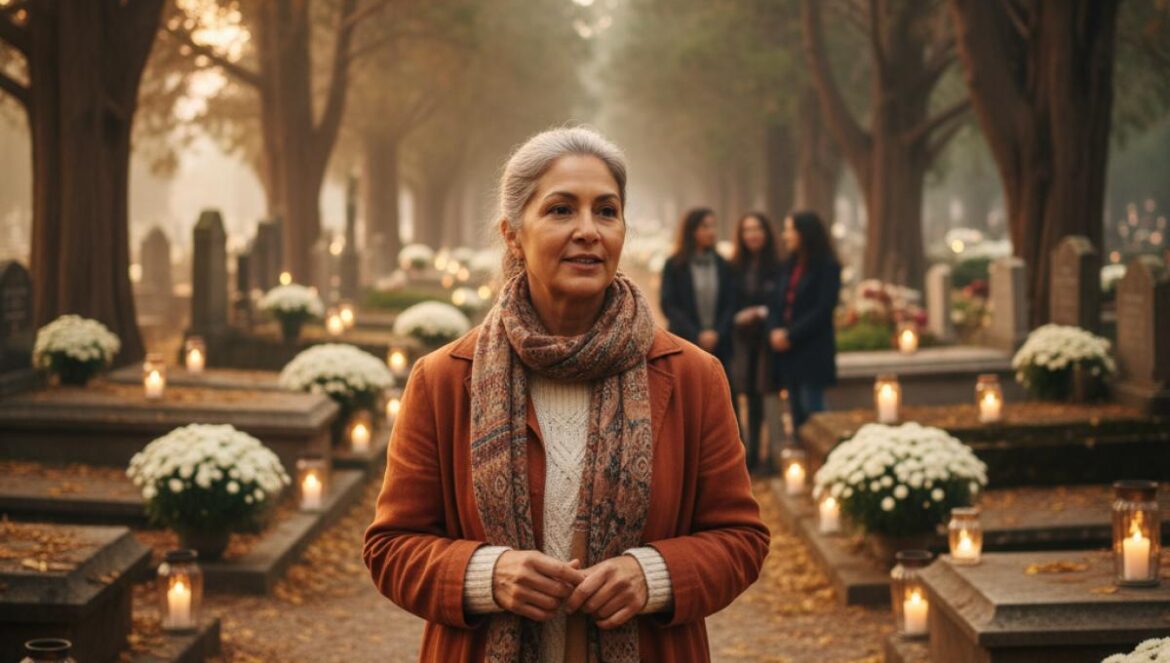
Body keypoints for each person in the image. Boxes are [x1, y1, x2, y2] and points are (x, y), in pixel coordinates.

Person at [363, 127, 769, 663]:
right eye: (560, 210)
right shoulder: (444, 380)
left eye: (606, 210)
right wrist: (487, 574)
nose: (588, 231)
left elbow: (740, 538)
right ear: (513, 233)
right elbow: (392, 548)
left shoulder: (692, 376)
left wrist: (653, 575)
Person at [768, 210, 841, 430]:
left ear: (804, 233)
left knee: (815, 415)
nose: (785, 235)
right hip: (789, 355)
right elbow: (776, 303)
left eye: (790, 229)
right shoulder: (788, 266)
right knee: (797, 417)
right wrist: (774, 331)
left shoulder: (827, 266)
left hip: (812, 351)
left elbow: (823, 309)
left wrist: (791, 334)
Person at [729, 212, 782, 472]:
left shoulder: (777, 264)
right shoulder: (735, 266)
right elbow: (729, 301)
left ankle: (770, 455)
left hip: (767, 340)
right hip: (742, 340)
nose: (753, 234)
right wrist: (739, 315)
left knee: (764, 396)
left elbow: (780, 300)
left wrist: (763, 312)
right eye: (747, 229)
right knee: (745, 395)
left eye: (757, 228)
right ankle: (746, 454)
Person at [658, 208, 737, 376]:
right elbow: (669, 304)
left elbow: (731, 303)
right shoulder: (674, 265)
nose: (711, 232)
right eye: (705, 226)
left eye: (713, 226)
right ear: (692, 231)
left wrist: (716, 333)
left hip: (719, 345)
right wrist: (697, 334)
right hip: (685, 342)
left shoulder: (723, 265)